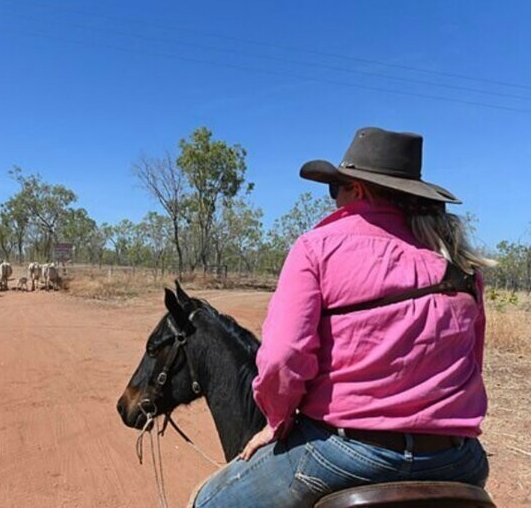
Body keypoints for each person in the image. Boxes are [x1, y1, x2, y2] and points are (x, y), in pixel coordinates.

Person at [190, 127, 493, 507]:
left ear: (358, 190)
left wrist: (277, 420)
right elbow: (472, 365)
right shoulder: (461, 268)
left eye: (336, 189)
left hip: (346, 454)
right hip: (458, 459)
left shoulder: (317, 248)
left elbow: (283, 358)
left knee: (207, 501)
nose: (334, 200)